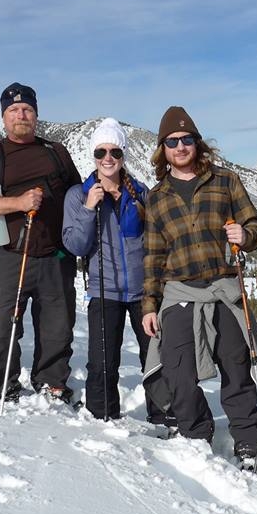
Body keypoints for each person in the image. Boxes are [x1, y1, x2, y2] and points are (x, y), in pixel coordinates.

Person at [141, 106, 257, 466]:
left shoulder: (226, 181)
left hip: (224, 287)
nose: (180, 147)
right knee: (178, 371)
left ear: (197, 144)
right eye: (172, 142)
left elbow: (255, 225)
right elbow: (152, 256)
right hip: (179, 292)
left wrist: (245, 236)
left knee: (236, 368)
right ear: (163, 150)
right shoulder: (156, 197)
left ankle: (249, 441)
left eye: (186, 140)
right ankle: (196, 431)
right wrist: (149, 306)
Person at [0, 82, 81, 403]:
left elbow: (76, 195)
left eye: (27, 109)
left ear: (36, 114)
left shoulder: (56, 152)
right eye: (14, 110)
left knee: (58, 328)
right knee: (2, 326)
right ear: (3, 117)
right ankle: (3, 385)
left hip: (56, 255)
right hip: (11, 255)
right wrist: (19, 203)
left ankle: (51, 383)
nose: (21, 114)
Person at [63, 118, 172, 425]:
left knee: (155, 358)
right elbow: (75, 245)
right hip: (104, 289)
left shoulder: (140, 193)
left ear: (123, 154)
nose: (107, 158)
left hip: (143, 291)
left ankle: (163, 415)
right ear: (93, 155)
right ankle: (102, 417)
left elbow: (154, 240)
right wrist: (88, 209)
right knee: (102, 362)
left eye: (114, 151)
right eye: (101, 152)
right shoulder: (78, 195)